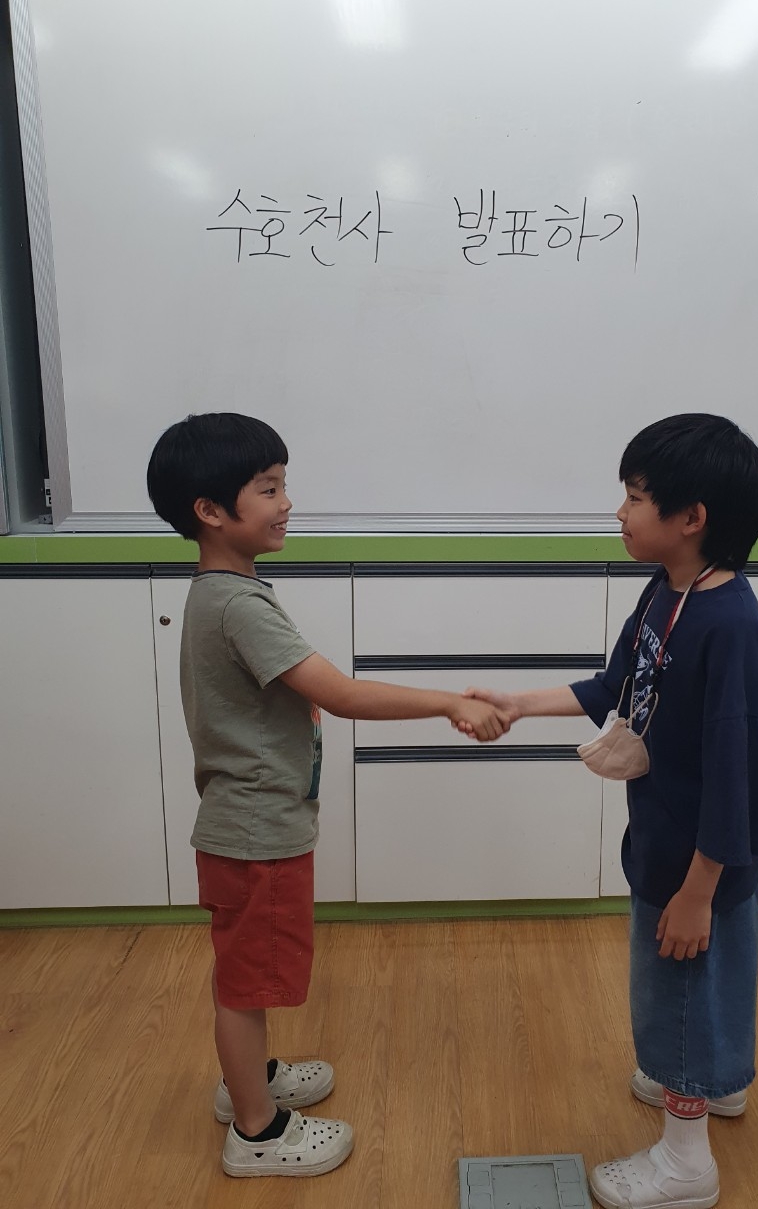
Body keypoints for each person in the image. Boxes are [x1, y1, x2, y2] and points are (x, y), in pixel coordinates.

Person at [147, 411, 507, 1180]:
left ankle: (251, 1079)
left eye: (283, 485)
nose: (286, 503)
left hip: (247, 822)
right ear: (211, 510)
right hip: (257, 829)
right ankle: (257, 1130)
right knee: (245, 982)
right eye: (267, 488)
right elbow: (339, 694)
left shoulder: (225, 590)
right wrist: (447, 701)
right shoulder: (237, 604)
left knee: (245, 971)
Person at [460, 414, 758, 1209]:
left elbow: (739, 775)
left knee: (678, 997)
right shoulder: (669, 588)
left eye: (636, 496)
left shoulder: (730, 624)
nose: (621, 511)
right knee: (699, 990)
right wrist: (520, 703)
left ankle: (686, 1164)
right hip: (668, 838)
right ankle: (710, 1080)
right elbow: (615, 688)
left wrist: (699, 889)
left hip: (699, 861)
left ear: (691, 517)